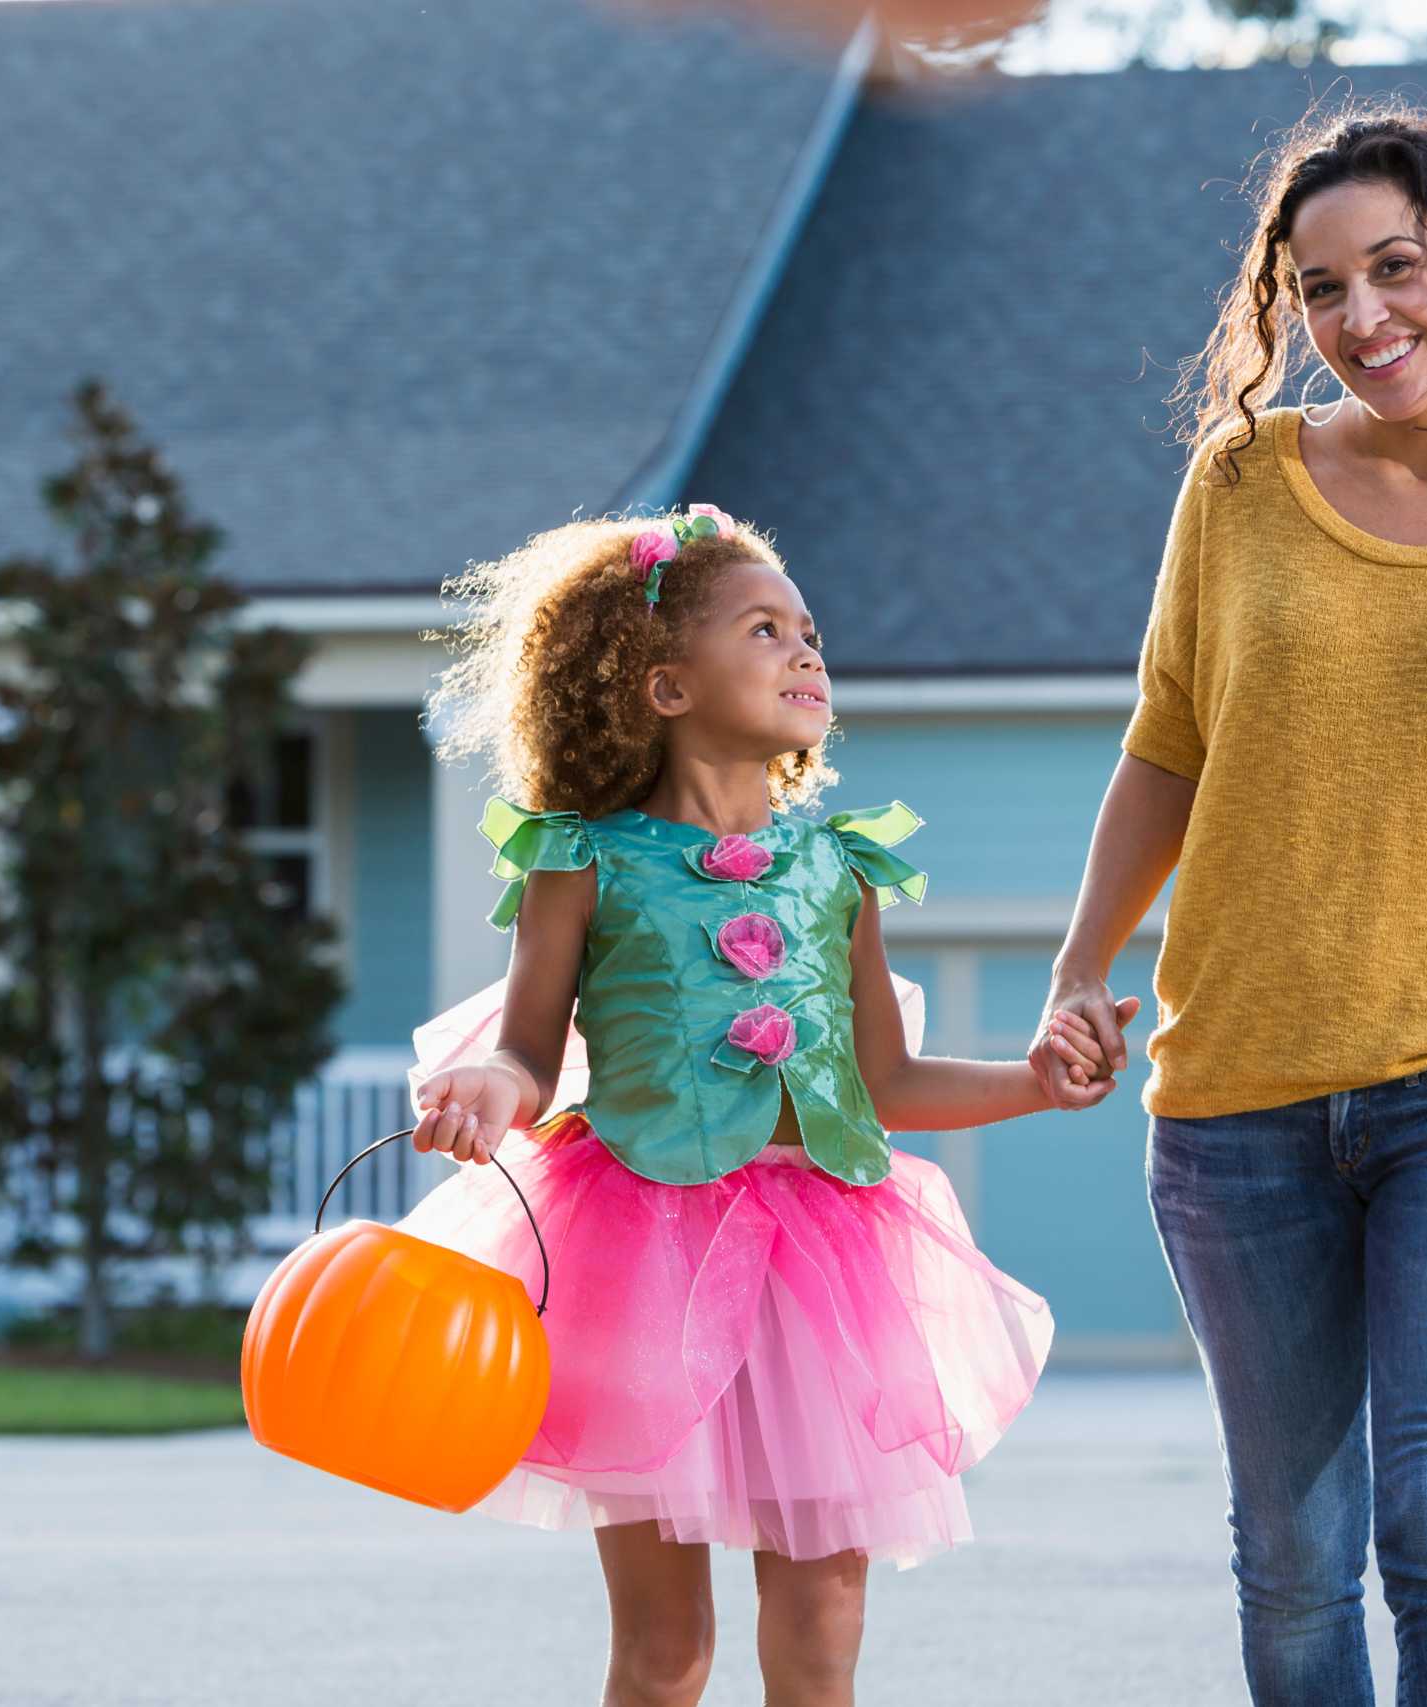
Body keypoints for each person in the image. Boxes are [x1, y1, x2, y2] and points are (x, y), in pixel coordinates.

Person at [1030, 104, 1427, 1707]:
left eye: (1395, 269)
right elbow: (1167, 749)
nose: (1361, 318)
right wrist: (1077, 970)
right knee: (1295, 1556)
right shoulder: (1242, 481)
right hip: (1239, 1090)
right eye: (1320, 290)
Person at [399, 507, 1135, 1707]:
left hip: (823, 1263)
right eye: (765, 629)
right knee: (665, 1648)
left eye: (811, 634)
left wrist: (1032, 1086)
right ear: (665, 686)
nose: (807, 654)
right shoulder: (578, 860)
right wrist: (496, 1083)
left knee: (821, 1628)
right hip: (642, 1254)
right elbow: (532, 1051)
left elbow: (885, 1085)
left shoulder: (836, 866)